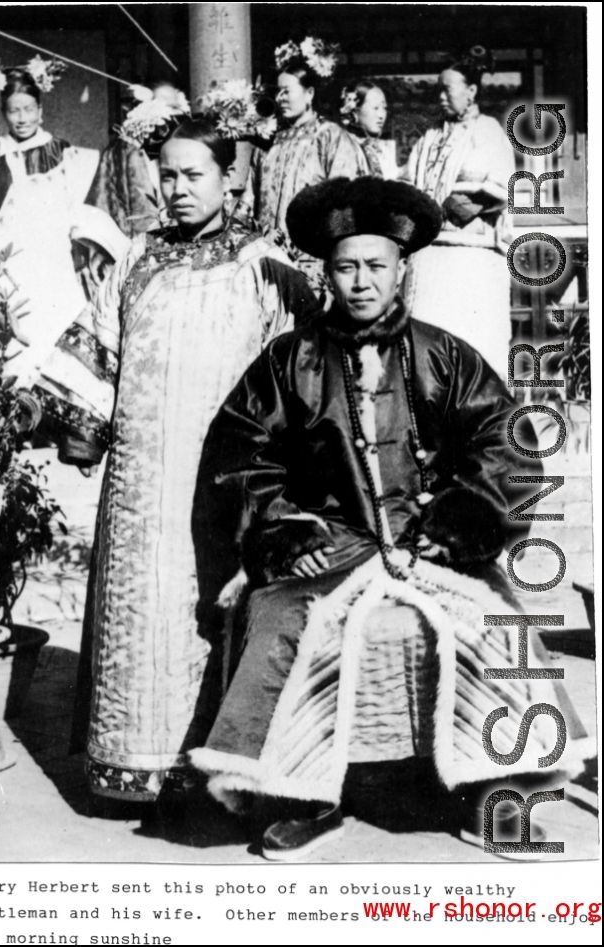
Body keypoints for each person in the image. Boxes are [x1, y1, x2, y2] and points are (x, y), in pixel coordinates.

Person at [190, 177, 590, 861]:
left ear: (401, 270)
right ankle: (303, 795)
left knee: (496, 620)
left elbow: (506, 441)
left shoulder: (443, 354)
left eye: (376, 266)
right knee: (284, 620)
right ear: (327, 273)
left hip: (428, 538)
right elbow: (239, 449)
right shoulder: (292, 360)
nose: (360, 282)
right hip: (332, 542)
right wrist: (283, 525)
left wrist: (468, 513)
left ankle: (495, 788)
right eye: (346, 267)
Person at [24, 120, 318, 805]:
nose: (179, 188)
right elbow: (98, 357)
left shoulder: (263, 265)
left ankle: (217, 779)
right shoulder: (136, 259)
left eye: (195, 175)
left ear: (228, 178)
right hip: (139, 489)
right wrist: (55, 422)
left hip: (227, 484)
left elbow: (297, 375)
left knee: (211, 617)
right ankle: (133, 769)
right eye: (169, 174)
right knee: (142, 618)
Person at [0, 61, 99, 387]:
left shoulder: (68, 155)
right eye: (13, 111)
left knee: (57, 340)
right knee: (10, 347)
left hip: (54, 265)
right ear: (3, 112)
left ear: (41, 109)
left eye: (27, 109)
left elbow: (82, 213)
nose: (21, 118)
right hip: (8, 267)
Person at [401, 49, 515, 372]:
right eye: (437, 89)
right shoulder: (429, 137)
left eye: (447, 89)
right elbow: (408, 185)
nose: (440, 97)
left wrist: (441, 212)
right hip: (428, 259)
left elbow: (495, 191)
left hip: (469, 260)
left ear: (472, 91)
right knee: (425, 352)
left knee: (467, 352)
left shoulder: (488, 132)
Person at [243, 37, 366, 293]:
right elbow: (248, 201)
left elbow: (347, 204)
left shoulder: (330, 136)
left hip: (313, 265)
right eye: (278, 91)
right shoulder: (267, 142)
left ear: (309, 93)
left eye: (287, 90)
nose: (281, 98)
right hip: (265, 262)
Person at [85, 80, 190, 237]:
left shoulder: (175, 148)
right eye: (168, 110)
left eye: (177, 111)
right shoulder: (127, 153)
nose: (173, 120)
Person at [340, 78, 399, 180]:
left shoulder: (384, 148)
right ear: (355, 109)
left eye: (384, 108)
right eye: (375, 108)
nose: (381, 115)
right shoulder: (342, 146)